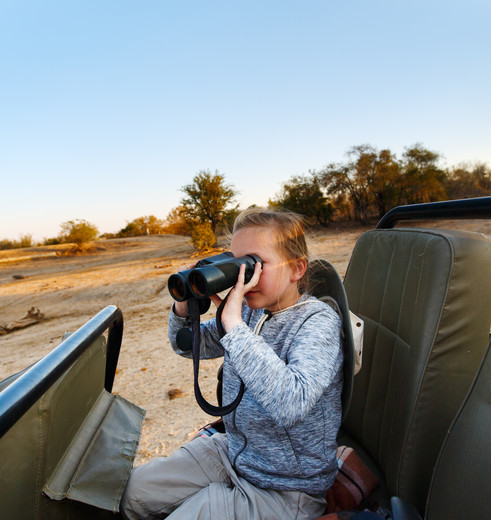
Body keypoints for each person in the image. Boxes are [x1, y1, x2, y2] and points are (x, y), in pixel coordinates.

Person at [121, 207, 344, 520]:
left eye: (255, 264)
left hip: (286, 486)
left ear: (296, 269)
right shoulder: (251, 312)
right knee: (131, 494)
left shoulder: (317, 322)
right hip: (235, 452)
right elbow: (186, 346)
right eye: (236, 262)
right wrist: (185, 307)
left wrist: (234, 325)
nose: (243, 276)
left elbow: (290, 403)